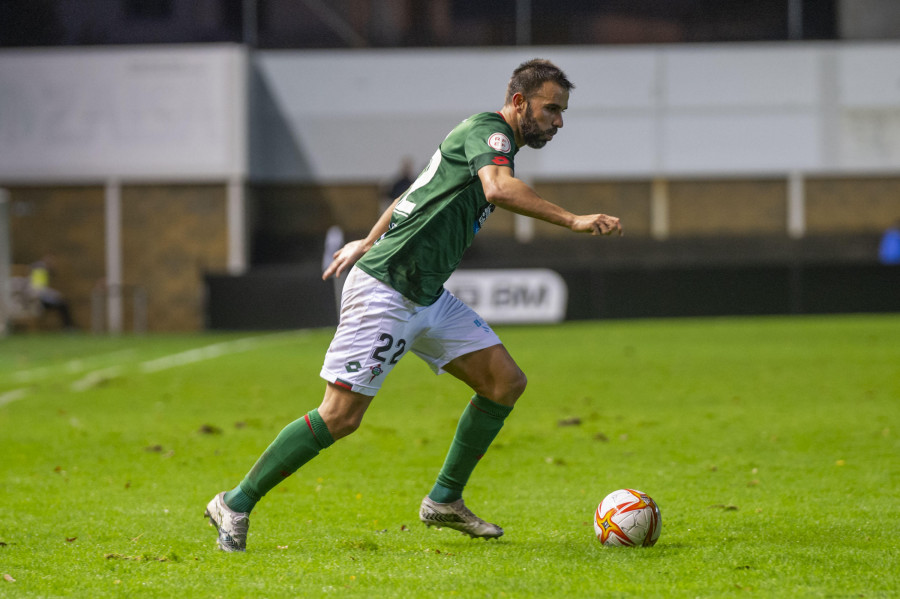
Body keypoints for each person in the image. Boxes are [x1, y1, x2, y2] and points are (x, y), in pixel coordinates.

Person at [205, 58, 622, 552]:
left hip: (426, 294)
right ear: (518, 102)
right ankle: (234, 502)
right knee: (340, 416)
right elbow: (498, 190)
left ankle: (444, 500)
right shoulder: (487, 133)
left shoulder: (487, 145)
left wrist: (367, 237)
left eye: (562, 111)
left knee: (505, 382)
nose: (558, 121)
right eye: (551, 109)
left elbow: (414, 194)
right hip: (387, 289)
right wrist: (572, 219)